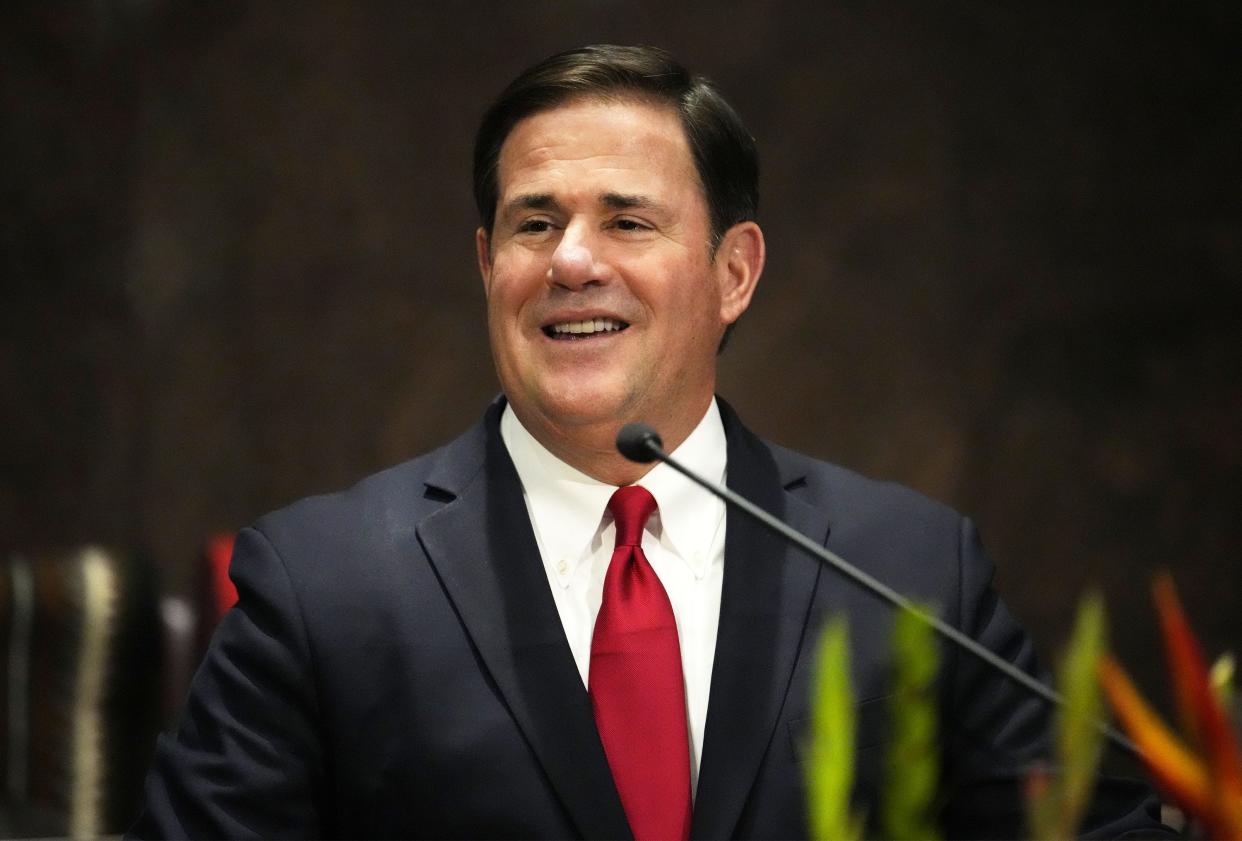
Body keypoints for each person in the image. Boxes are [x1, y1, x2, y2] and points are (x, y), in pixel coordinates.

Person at [131, 45, 1167, 839]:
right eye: (534, 225)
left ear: (735, 273)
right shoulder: (323, 580)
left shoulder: (905, 566)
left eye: (627, 220)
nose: (572, 260)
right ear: (487, 263)